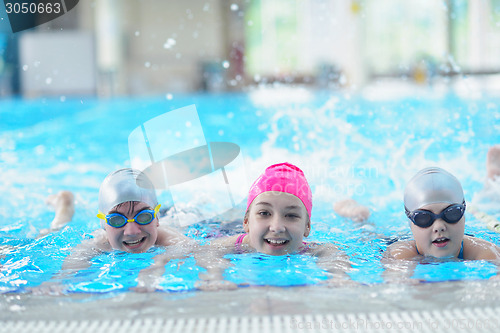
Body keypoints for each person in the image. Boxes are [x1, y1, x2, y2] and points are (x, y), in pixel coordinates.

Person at [34, 168, 193, 294]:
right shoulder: (99, 241)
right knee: (52, 233)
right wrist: (60, 280)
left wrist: (156, 266)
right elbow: (75, 261)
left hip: (174, 216)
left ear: (156, 218)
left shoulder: (169, 236)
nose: (132, 231)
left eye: (144, 217)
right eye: (117, 220)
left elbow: (184, 249)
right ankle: (63, 208)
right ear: (104, 224)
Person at [197, 162, 351, 288]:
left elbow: (331, 252)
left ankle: (351, 212)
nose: (277, 227)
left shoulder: (310, 248)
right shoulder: (234, 244)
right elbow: (208, 251)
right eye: (264, 213)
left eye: (291, 216)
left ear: (307, 227)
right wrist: (214, 275)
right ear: (246, 222)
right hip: (223, 228)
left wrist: (339, 276)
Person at [385, 167, 500, 260]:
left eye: (452, 213)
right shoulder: (399, 256)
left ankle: (491, 185)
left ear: (464, 216)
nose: (439, 227)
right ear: (411, 223)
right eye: (424, 218)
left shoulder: (487, 252)